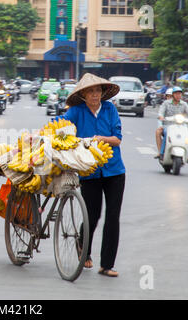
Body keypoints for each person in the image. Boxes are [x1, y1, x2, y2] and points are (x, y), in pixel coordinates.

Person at [55, 73, 125, 277]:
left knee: (113, 217)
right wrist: (44, 134)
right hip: (89, 172)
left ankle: (107, 265)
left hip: (114, 171)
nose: (95, 95)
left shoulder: (110, 109)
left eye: (98, 91)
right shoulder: (76, 112)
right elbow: (61, 125)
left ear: (103, 93)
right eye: (91, 91)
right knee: (92, 215)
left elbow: (117, 139)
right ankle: (83, 246)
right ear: (83, 94)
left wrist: (99, 139)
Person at [155, 86, 188, 159]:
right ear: (173, 95)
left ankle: (187, 155)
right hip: (168, 125)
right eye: (176, 94)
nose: (178, 96)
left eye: (180, 94)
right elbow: (161, 112)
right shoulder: (166, 103)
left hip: (180, 126)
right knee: (167, 134)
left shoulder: (184, 104)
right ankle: (161, 153)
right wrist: (161, 116)